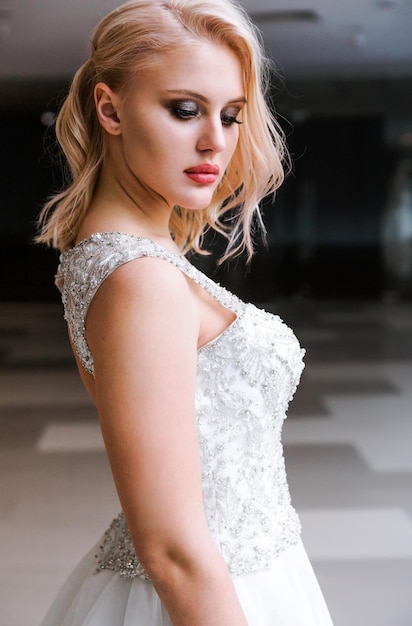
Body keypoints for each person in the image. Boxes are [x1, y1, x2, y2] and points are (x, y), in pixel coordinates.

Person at [37, 1, 333, 624]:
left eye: (230, 116)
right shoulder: (140, 278)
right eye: (184, 109)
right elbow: (170, 547)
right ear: (109, 109)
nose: (216, 142)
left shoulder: (126, 254)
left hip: (245, 569)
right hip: (208, 592)